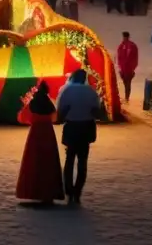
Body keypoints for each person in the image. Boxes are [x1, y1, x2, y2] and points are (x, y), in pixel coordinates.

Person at [16, 82, 64, 204]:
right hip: (48, 132)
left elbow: (22, 118)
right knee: (49, 161)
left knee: (34, 161)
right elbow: (55, 118)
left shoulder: (33, 103)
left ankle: (33, 191)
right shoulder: (49, 104)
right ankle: (49, 193)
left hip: (35, 132)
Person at [56, 69, 99, 206]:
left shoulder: (67, 91)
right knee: (82, 161)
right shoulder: (91, 92)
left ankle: (68, 190)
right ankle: (78, 192)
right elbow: (96, 110)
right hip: (86, 128)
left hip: (72, 127)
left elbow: (61, 109)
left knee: (69, 160)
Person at [117, 32, 139, 104]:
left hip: (129, 69)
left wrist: (133, 68)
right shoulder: (121, 46)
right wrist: (120, 68)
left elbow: (135, 58)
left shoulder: (132, 46)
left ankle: (127, 98)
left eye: (125, 37)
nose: (124, 38)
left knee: (128, 84)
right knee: (125, 83)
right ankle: (126, 97)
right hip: (123, 69)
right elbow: (119, 58)